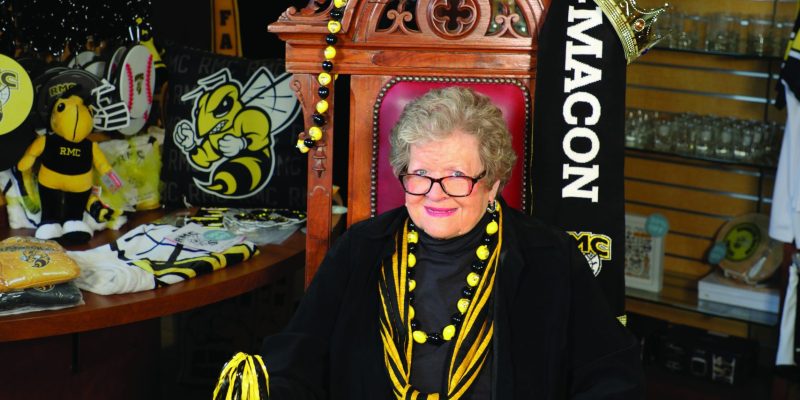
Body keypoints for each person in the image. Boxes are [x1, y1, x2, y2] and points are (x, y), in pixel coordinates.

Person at [214, 86, 644, 399]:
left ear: (492, 183)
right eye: (420, 175)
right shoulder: (361, 249)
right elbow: (297, 358)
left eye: (457, 176)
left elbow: (608, 370)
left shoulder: (548, 256)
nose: (435, 193)